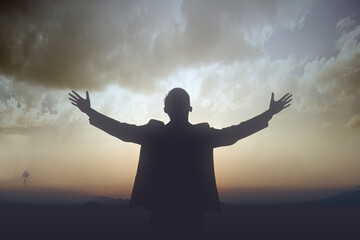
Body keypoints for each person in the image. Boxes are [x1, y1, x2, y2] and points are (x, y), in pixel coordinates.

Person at [69, 88, 292, 240]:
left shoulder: (154, 134)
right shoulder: (200, 136)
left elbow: (121, 130)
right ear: (190, 109)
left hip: (162, 212)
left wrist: (90, 112)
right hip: (190, 212)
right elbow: (234, 133)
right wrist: (268, 114)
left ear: (166, 110)